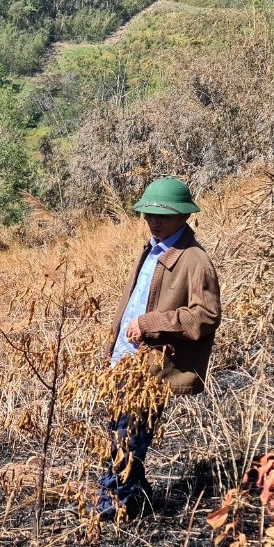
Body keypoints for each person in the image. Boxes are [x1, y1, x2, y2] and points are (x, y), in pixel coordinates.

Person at [96, 176, 221, 520]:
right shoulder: (152, 248)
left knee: (128, 437)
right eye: (149, 213)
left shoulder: (195, 261)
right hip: (125, 361)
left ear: (184, 216)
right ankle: (138, 498)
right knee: (120, 432)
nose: (154, 220)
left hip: (151, 367)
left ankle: (112, 508)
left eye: (163, 214)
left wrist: (151, 324)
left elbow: (206, 316)